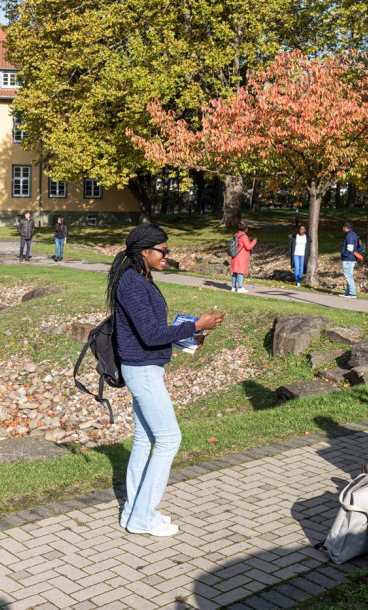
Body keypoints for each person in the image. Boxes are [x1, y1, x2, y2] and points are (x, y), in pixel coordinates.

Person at [108, 223, 226, 537]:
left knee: (146, 440)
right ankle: (142, 518)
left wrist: (189, 335)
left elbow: (149, 332)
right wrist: (195, 324)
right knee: (170, 439)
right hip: (142, 371)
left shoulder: (141, 278)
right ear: (144, 251)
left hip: (146, 367)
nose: (167, 255)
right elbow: (149, 334)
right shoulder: (132, 282)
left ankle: (135, 511)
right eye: (163, 250)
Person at [230, 222, 257, 293]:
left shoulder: (236, 234)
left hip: (235, 254)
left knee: (235, 272)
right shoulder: (244, 237)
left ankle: (233, 287)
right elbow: (248, 247)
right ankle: (240, 287)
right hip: (241, 256)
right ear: (246, 229)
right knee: (240, 272)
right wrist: (254, 241)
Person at [339, 221, 361, 298]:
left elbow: (350, 249)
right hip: (351, 258)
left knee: (348, 276)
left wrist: (344, 255)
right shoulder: (353, 235)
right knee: (348, 275)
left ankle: (352, 293)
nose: (342, 228)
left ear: (346, 227)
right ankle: (348, 292)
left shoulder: (350, 236)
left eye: (343, 227)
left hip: (348, 259)